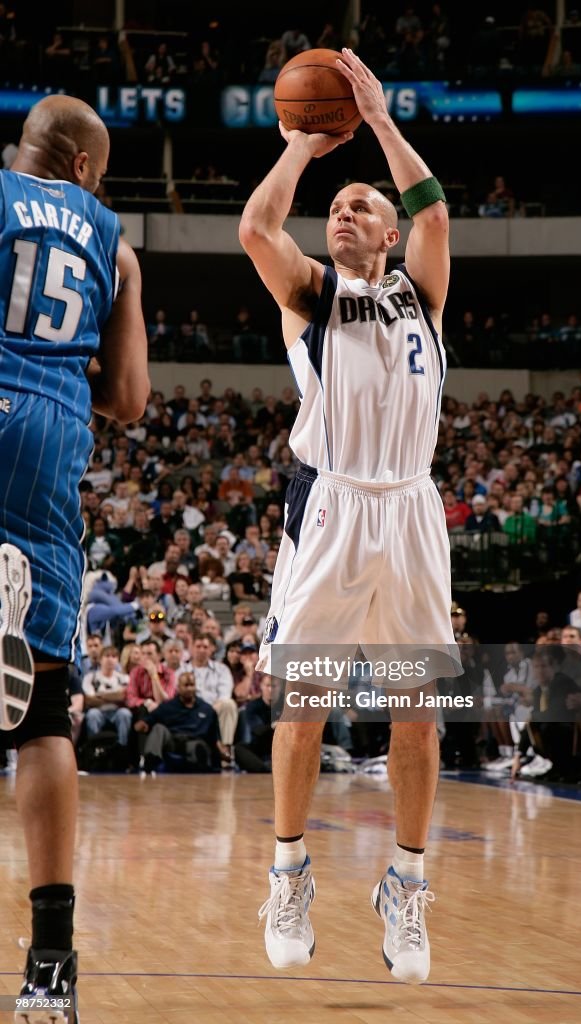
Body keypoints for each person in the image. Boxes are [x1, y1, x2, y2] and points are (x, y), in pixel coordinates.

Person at [240, 48, 457, 984]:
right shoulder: (311, 298)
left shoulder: (424, 292)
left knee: (417, 715)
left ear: (389, 234)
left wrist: (374, 121)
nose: (343, 211)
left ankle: (404, 888)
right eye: (337, 206)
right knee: (307, 702)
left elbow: (435, 207)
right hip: (330, 504)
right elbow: (256, 226)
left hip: (409, 509)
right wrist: (299, 147)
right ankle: (288, 870)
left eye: (360, 206)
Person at [0, 94, 148, 1018]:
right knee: (44, 714)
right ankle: (50, 968)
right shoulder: (115, 243)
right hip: (51, 435)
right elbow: (128, 398)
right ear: (88, 169)